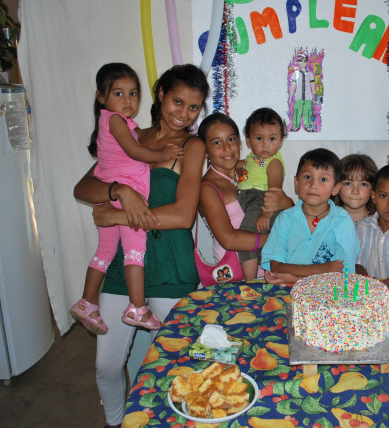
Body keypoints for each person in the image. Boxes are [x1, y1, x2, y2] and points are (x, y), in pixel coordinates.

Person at [73, 64, 209, 428]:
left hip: (170, 266)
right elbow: (83, 188)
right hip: (124, 265)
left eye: (193, 107)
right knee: (106, 365)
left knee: (177, 364)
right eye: (177, 101)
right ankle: (115, 422)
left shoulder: (192, 146)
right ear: (161, 94)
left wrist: (117, 214)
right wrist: (118, 190)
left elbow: (183, 215)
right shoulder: (128, 134)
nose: (184, 113)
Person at [69, 63, 184, 335]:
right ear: (101, 97)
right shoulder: (115, 121)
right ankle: (137, 307)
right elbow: (134, 152)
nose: (128, 100)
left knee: (105, 252)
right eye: (118, 93)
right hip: (125, 196)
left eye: (133, 93)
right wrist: (163, 155)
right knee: (135, 251)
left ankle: (87, 302)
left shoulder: (114, 122)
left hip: (112, 194)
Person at [197, 112, 293, 277]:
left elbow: (282, 205)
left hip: (267, 271)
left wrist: (286, 202)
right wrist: (277, 238)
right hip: (235, 274)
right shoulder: (208, 187)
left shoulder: (249, 171)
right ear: (205, 150)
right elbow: (229, 240)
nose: (227, 148)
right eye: (217, 142)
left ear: (240, 143)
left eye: (231, 139)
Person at [261, 148, 360, 285]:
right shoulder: (285, 219)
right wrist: (323, 269)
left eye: (323, 179)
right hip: (287, 290)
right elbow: (276, 267)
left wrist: (293, 278)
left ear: (336, 188)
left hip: (328, 293)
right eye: (307, 177)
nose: (313, 185)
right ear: (296, 183)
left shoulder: (342, 221)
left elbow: (343, 277)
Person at [235, 107, 287, 280]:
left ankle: (250, 281)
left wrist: (266, 213)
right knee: (256, 241)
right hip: (252, 200)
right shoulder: (252, 158)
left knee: (246, 237)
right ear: (248, 140)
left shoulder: (274, 162)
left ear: (280, 141)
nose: (265, 145)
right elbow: (236, 165)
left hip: (262, 200)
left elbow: (274, 192)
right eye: (259, 138)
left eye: (272, 139)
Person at [333, 153, 378, 223]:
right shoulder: (329, 220)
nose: (355, 191)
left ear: (372, 189)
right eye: (348, 183)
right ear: (337, 187)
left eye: (363, 184)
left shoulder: (379, 221)